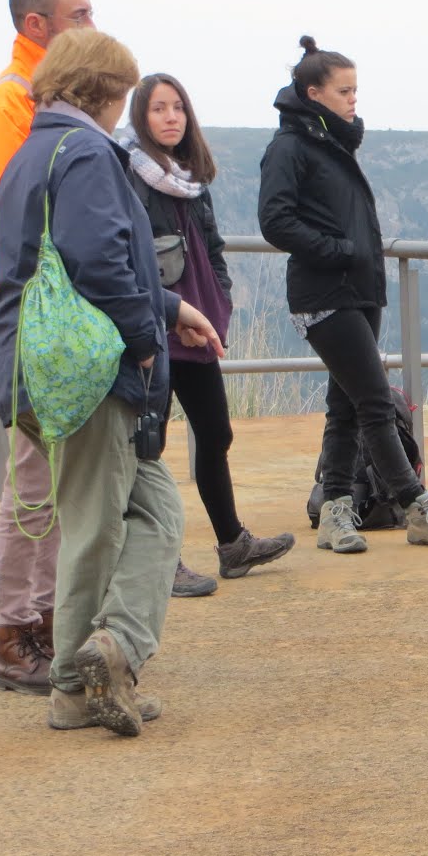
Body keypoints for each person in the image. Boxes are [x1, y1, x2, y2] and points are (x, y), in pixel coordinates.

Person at [0, 28, 224, 736]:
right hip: (90, 372)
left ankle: (113, 650)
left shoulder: (30, 152)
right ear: (107, 90)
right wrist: (149, 340)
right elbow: (100, 264)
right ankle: (73, 685)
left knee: (155, 512)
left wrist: (174, 307)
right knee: (94, 530)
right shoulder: (88, 151)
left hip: (37, 364)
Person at [259, 36, 428, 552]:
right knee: (376, 401)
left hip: (357, 291)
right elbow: (274, 220)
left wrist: (355, 260)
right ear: (314, 94)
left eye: (356, 90)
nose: (354, 99)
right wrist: (337, 251)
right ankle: (416, 506)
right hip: (324, 294)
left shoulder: (332, 145)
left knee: (347, 406)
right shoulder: (290, 148)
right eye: (344, 91)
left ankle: (335, 515)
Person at [0, 0, 94, 696]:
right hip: (28, 319)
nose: (90, 26)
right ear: (35, 26)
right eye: (78, 15)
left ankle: (40, 622)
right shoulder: (9, 105)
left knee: (51, 480)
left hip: (53, 317)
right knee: (33, 481)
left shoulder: (45, 101)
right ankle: (14, 634)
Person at [125, 73, 295, 596]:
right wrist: (167, 315)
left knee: (215, 434)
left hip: (197, 332)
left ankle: (232, 545)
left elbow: (213, 249)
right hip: (153, 331)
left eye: (177, 107)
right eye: (158, 109)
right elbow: (128, 260)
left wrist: (215, 307)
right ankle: (161, 563)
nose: (171, 117)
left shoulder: (192, 178)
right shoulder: (128, 175)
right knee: (145, 450)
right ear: (140, 117)